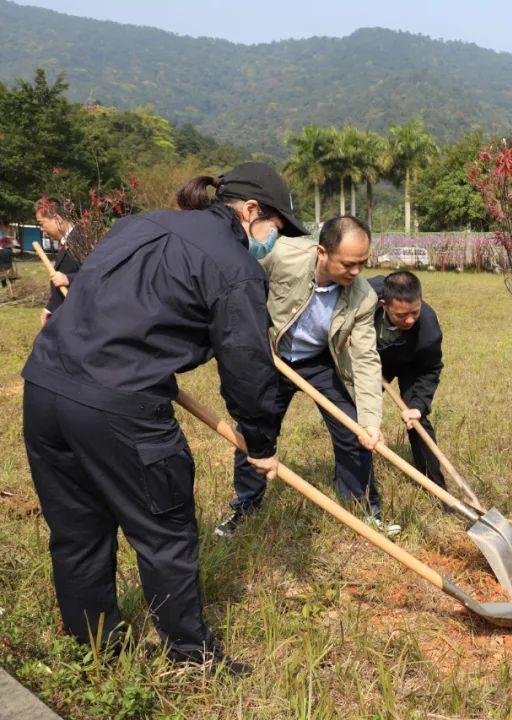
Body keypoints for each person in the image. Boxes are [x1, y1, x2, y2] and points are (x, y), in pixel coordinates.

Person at [22, 162, 307, 673]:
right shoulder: (234, 266)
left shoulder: (139, 224)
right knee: (165, 530)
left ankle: (92, 646)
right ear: (250, 211)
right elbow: (246, 365)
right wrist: (261, 444)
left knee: (77, 527)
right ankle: (192, 657)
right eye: (276, 229)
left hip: (45, 386)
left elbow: (106, 298)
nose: (274, 241)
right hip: (119, 404)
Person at [214, 215, 394, 538]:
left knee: (352, 431)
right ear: (322, 252)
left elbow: (366, 358)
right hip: (272, 355)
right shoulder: (283, 255)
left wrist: (370, 421)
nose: (357, 272)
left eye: (362, 264)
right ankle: (244, 507)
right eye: (349, 264)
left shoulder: (363, 296)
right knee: (255, 433)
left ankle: (365, 510)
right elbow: (243, 282)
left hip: (318, 361)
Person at [369, 271, 445, 488]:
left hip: (410, 361)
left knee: (417, 420)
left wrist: (418, 404)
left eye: (415, 312)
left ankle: (436, 488)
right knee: (357, 418)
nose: (410, 320)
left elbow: (429, 369)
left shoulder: (428, 327)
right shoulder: (363, 296)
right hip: (372, 359)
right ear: (384, 305)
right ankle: (357, 485)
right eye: (401, 315)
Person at [34, 197, 81, 325]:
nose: (41, 229)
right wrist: (50, 307)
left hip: (80, 317)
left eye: (41, 223)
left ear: (57, 219)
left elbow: (99, 274)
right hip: (64, 315)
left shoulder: (82, 241)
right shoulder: (66, 242)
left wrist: (69, 279)